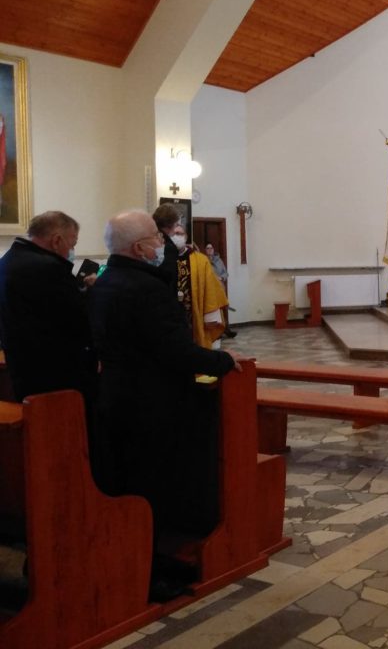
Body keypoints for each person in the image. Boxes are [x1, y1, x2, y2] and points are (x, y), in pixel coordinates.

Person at [90, 210, 240, 602]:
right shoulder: (147, 289)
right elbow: (173, 350)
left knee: (128, 483)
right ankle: (148, 573)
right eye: (156, 239)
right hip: (152, 404)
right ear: (139, 247)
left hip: (116, 397)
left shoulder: (105, 282)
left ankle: (144, 559)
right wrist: (222, 361)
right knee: (152, 488)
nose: (162, 244)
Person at [0, 211, 96, 409]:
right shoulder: (49, 267)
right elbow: (77, 318)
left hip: (22, 366)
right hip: (56, 374)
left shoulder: (8, 260)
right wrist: (93, 294)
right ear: (57, 240)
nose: (72, 250)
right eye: (72, 243)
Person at [167, 222, 229, 349]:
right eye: (173, 234)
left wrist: (211, 317)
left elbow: (210, 289)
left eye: (179, 233)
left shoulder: (200, 260)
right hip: (169, 316)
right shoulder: (162, 259)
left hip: (194, 316)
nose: (176, 237)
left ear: (186, 237)